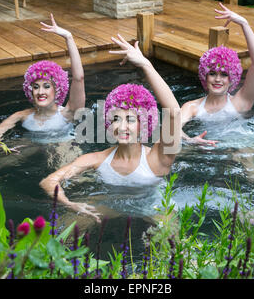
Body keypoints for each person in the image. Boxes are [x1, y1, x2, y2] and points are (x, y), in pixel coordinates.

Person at [40, 34, 181, 222]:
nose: (122, 126)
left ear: (144, 123)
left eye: (130, 119)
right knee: (64, 232)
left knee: (171, 249)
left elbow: (174, 113)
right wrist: (71, 204)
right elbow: (49, 181)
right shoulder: (96, 159)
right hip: (111, 203)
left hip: (154, 206)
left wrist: (146, 65)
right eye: (116, 118)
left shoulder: (159, 158)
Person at [0, 13, 85, 146]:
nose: (40, 92)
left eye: (46, 86)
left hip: (63, 148)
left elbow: (79, 78)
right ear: (30, 91)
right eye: (36, 87)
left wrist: (69, 37)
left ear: (57, 89)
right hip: (32, 147)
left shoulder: (67, 114)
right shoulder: (22, 116)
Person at [181, 3, 254, 146]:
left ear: (232, 78)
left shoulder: (240, 103)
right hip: (211, 153)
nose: (218, 79)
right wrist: (190, 141)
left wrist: (244, 24)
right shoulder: (191, 107)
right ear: (204, 76)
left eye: (224, 74)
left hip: (245, 148)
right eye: (212, 73)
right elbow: (171, 130)